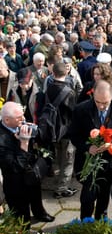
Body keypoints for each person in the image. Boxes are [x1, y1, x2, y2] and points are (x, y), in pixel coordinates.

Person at [69, 80, 112, 220]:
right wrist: (87, 147)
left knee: (104, 195)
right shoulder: (81, 110)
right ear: (92, 95)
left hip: (111, 163)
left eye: (105, 103)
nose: (102, 106)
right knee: (87, 196)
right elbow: (73, 135)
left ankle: (101, 221)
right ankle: (85, 222)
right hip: (88, 161)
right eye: (98, 102)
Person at [0, 101, 54, 226]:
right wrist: (24, 143)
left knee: (36, 195)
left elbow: (41, 139)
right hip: (15, 182)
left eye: (23, 115)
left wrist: (35, 131)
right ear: (7, 120)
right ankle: (25, 230)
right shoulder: (1, 138)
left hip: (31, 172)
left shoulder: (20, 123)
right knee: (21, 212)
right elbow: (14, 167)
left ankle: (39, 213)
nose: (23, 119)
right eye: (19, 118)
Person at [46, 62, 77, 198]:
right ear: (66, 73)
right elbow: (73, 113)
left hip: (52, 130)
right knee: (68, 160)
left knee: (58, 157)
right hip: (66, 131)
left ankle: (59, 182)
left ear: (53, 73)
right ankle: (61, 189)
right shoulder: (69, 92)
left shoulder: (48, 88)